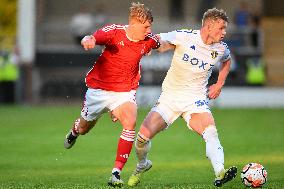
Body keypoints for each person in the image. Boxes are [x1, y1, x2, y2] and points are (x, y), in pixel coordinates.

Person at [128, 8, 237, 187]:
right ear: (208, 26)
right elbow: (161, 42)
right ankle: (141, 165)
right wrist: (152, 46)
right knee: (141, 139)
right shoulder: (184, 36)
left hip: (195, 101)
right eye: (221, 28)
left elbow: (227, 60)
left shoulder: (221, 48)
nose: (224, 32)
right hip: (169, 99)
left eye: (225, 29)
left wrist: (219, 84)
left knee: (210, 131)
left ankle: (220, 172)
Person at [64, 2, 160, 187]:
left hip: (124, 92)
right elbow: (92, 36)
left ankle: (116, 172)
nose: (149, 30)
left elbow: (161, 41)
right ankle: (75, 130)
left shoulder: (148, 40)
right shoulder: (114, 32)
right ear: (133, 23)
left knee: (130, 121)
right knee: (85, 128)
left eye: (150, 26)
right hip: (99, 91)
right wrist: (88, 40)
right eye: (146, 26)